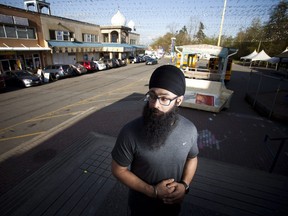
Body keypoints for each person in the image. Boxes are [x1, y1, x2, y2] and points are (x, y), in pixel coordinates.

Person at [111, 65, 199, 216]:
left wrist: (184, 185)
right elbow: (118, 170)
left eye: (164, 98)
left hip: (173, 207)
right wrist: (153, 191)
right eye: (152, 96)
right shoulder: (130, 132)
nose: (155, 104)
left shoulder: (189, 129)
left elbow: (193, 158)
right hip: (141, 208)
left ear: (178, 101)